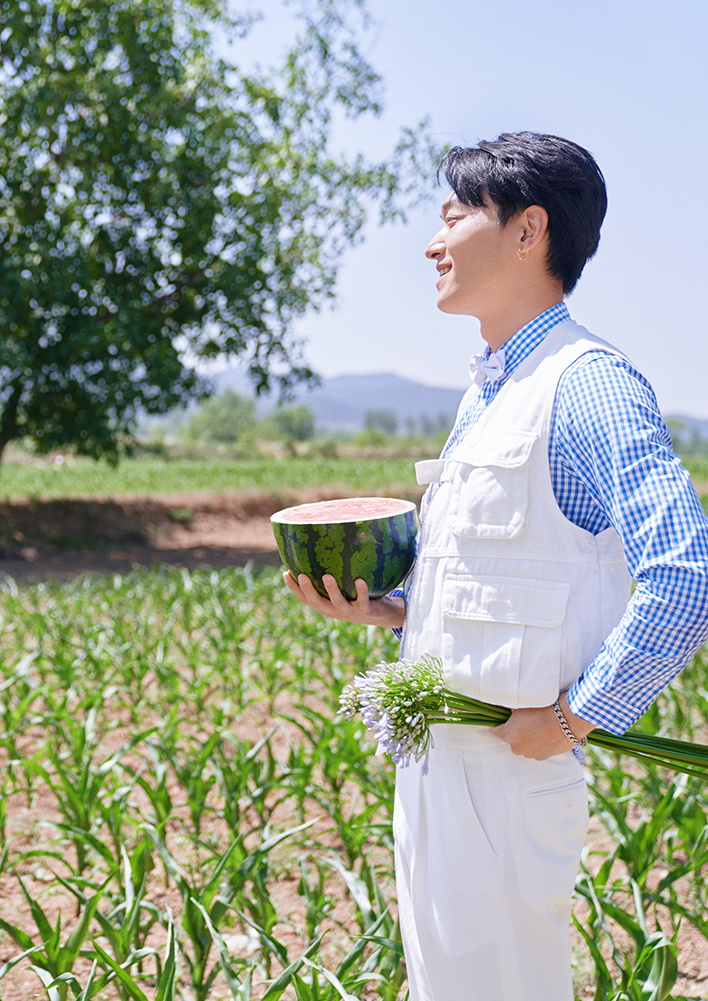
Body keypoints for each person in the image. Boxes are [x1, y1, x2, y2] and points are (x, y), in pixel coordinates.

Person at [285, 133, 708, 1000]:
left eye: (454, 217)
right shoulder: (489, 390)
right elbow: (511, 574)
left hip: (508, 778)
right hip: (439, 763)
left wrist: (575, 717)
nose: (433, 244)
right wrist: (397, 611)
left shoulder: (587, 384)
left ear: (528, 230)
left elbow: (685, 575)